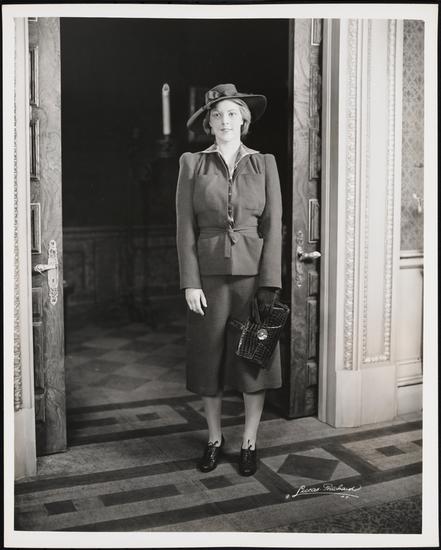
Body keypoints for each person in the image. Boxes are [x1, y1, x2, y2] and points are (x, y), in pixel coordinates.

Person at [175, 83, 283, 476]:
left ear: (244, 121)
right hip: (207, 280)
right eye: (217, 115)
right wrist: (190, 282)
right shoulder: (192, 164)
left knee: (253, 362)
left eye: (232, 114)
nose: (225, 121)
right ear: (209, 123)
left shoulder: (264, 163)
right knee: (209, 362)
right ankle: (214, 439)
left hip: (253, 279)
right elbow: (184, 227)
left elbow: (273, 225)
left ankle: (250, 442)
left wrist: (269, 284)